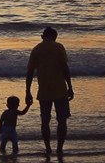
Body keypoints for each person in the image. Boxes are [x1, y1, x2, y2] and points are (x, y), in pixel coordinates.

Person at [25, 26, 74, 156]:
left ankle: (48, 148)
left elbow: (30, 72)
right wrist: (70, 86)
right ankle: (59, 148)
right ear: (55, 37)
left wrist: (28, 91)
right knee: (62, 120)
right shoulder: (58, 47)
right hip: (60, 89)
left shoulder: (36, 50)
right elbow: (65, 68)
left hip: (44, 91)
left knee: (45, 121)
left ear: (42, 37)